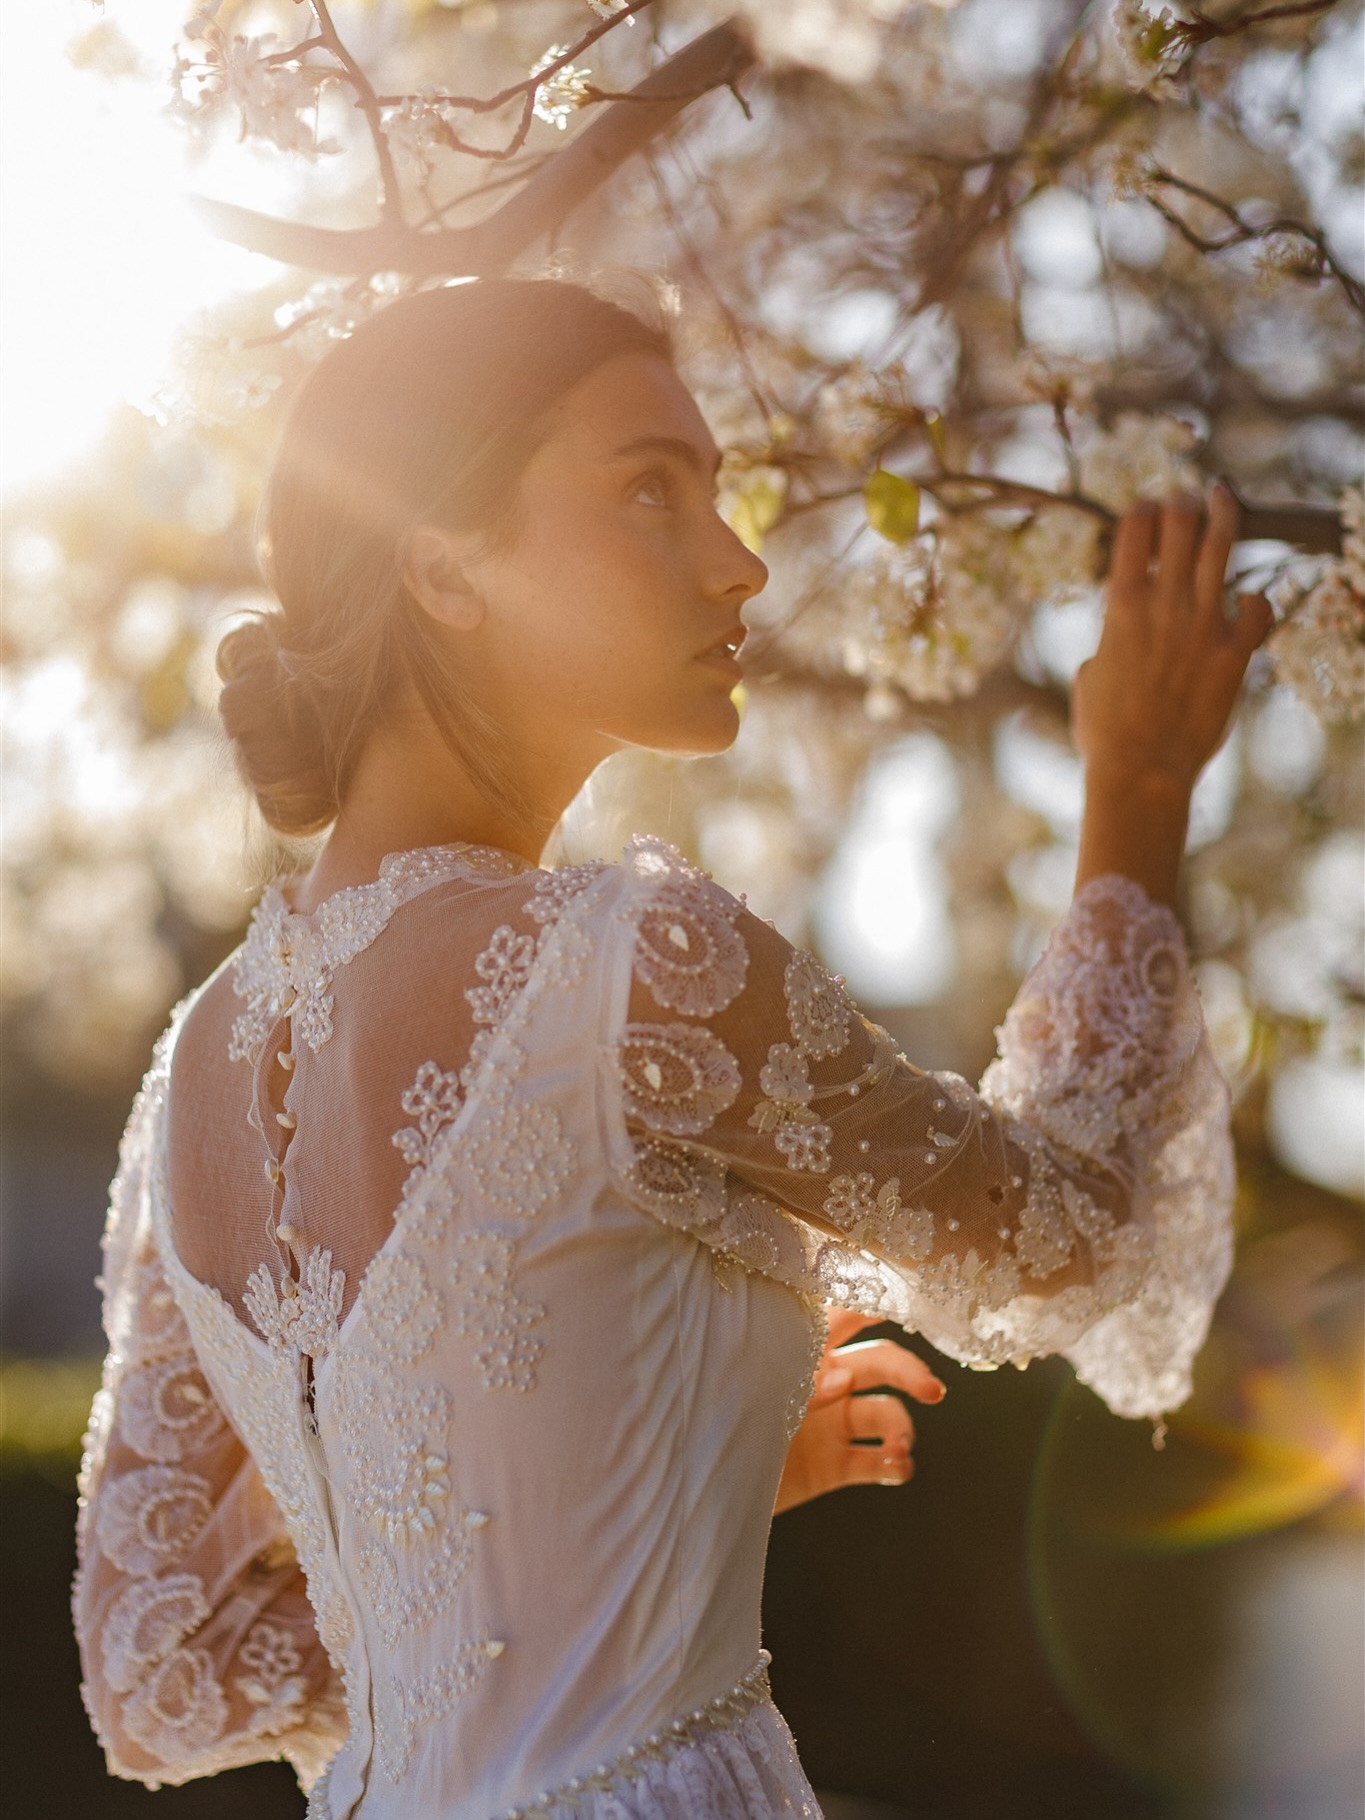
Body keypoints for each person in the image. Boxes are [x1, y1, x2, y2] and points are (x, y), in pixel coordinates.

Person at [71, 275, 1272, 1820]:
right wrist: (1138, 790)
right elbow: (1075, 1232)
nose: (739, 562)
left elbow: (158, 1678)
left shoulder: (194, 1075)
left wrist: (579, 1559)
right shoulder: (632, 970)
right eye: (651, 489)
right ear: (443, 566)